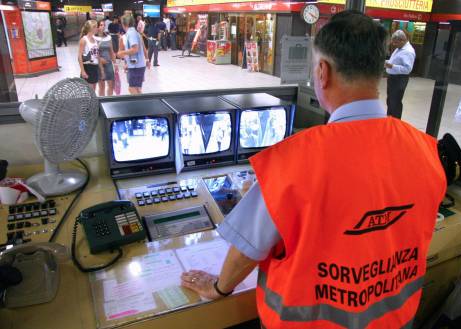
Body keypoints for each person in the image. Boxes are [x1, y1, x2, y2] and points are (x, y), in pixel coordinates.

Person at [180, 10, 447, 329]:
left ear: (322, 72)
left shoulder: (291, 161)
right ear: (380, 71)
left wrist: (219, 287)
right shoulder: (426, 149)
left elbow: (245, 251)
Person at [385, 30, 416, 119]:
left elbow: (407, 69)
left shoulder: (408, 51)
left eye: (396, 42)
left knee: (395, 102)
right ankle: (389, 119)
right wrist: (387, 63)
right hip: (393, 78)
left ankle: (395, 121)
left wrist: (392, 66)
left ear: (402, 40)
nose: (394, 44)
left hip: (399, 79)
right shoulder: (399, 49)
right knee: (390, 101)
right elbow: (394, 61)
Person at [117, 15, 150, 95]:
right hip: (137, 65)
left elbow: (135, 49)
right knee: (137, 88)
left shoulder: (131, 33)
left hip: (136, 66)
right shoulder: (134, 33)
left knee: (132, 89)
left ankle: (139, 105)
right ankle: (141, 105)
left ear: (124, 24)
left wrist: (121, 53)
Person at [95, 19, 116, 96]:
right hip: (99, 64)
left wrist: (115, 63)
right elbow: (93, 52)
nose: (103, 26)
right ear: (97, 27)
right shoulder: (94, 38)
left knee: (111, 85)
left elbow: (111, 51)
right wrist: (99, 60)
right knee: (101, 86)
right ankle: (102, 103)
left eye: (104, 25)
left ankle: (109, 101)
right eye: (101, 25)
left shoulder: (108, 37)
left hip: (108, 63)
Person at [78, 20, 100, 91]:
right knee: (89, 91)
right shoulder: (84, 40)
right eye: (96, 27)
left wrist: (100, 68)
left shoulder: (95, 39)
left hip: (95, 67)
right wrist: (83, 71)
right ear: (92, 28)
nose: (97, 28)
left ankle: (93, 102)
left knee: (93, 90)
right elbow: (79, 57)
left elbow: (97, 54)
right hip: (87, 67)